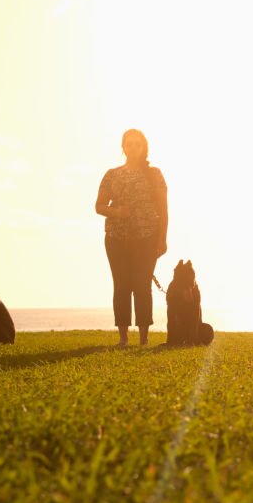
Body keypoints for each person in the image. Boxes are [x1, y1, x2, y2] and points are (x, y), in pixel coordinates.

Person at [96, 129, 168, 347]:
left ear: (144, 147)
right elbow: (98, 206)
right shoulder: (112, 174)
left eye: (138, 144)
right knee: (121, 286)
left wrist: (162, 239)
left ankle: (144, 338)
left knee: (142, 286)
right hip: (116, 238)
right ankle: (123, 338)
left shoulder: (154, 174)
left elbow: (163, 210)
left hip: (147, 236)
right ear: (123, 147)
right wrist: (118, 212)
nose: (133, 147)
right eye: (129, 143)